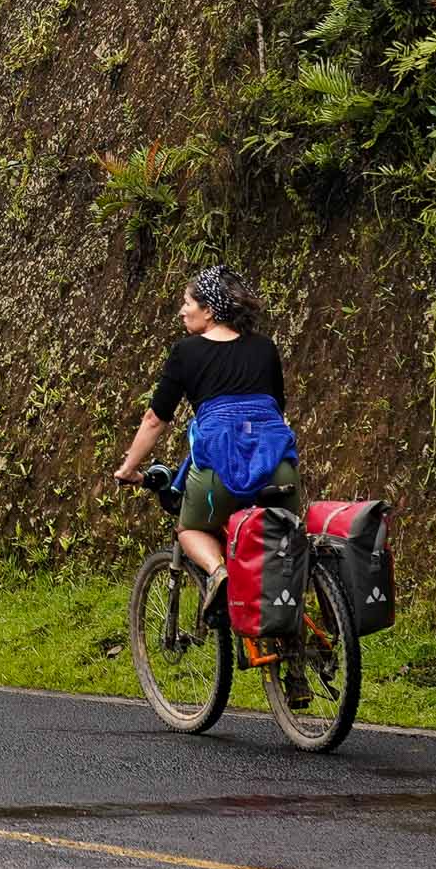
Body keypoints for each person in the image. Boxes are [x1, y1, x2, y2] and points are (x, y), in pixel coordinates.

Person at [112, 263, 299, 624]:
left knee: (191, 529)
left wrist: (130, 468)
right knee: (282, 565)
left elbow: (155, 419)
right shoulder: (265, 349)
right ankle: (294, 670)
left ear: (209, 310)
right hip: (278, 465)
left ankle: (218, 574)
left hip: (220, 469)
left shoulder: (186, 352)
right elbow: (276, 407)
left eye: (187, 303)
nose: (182, 311)